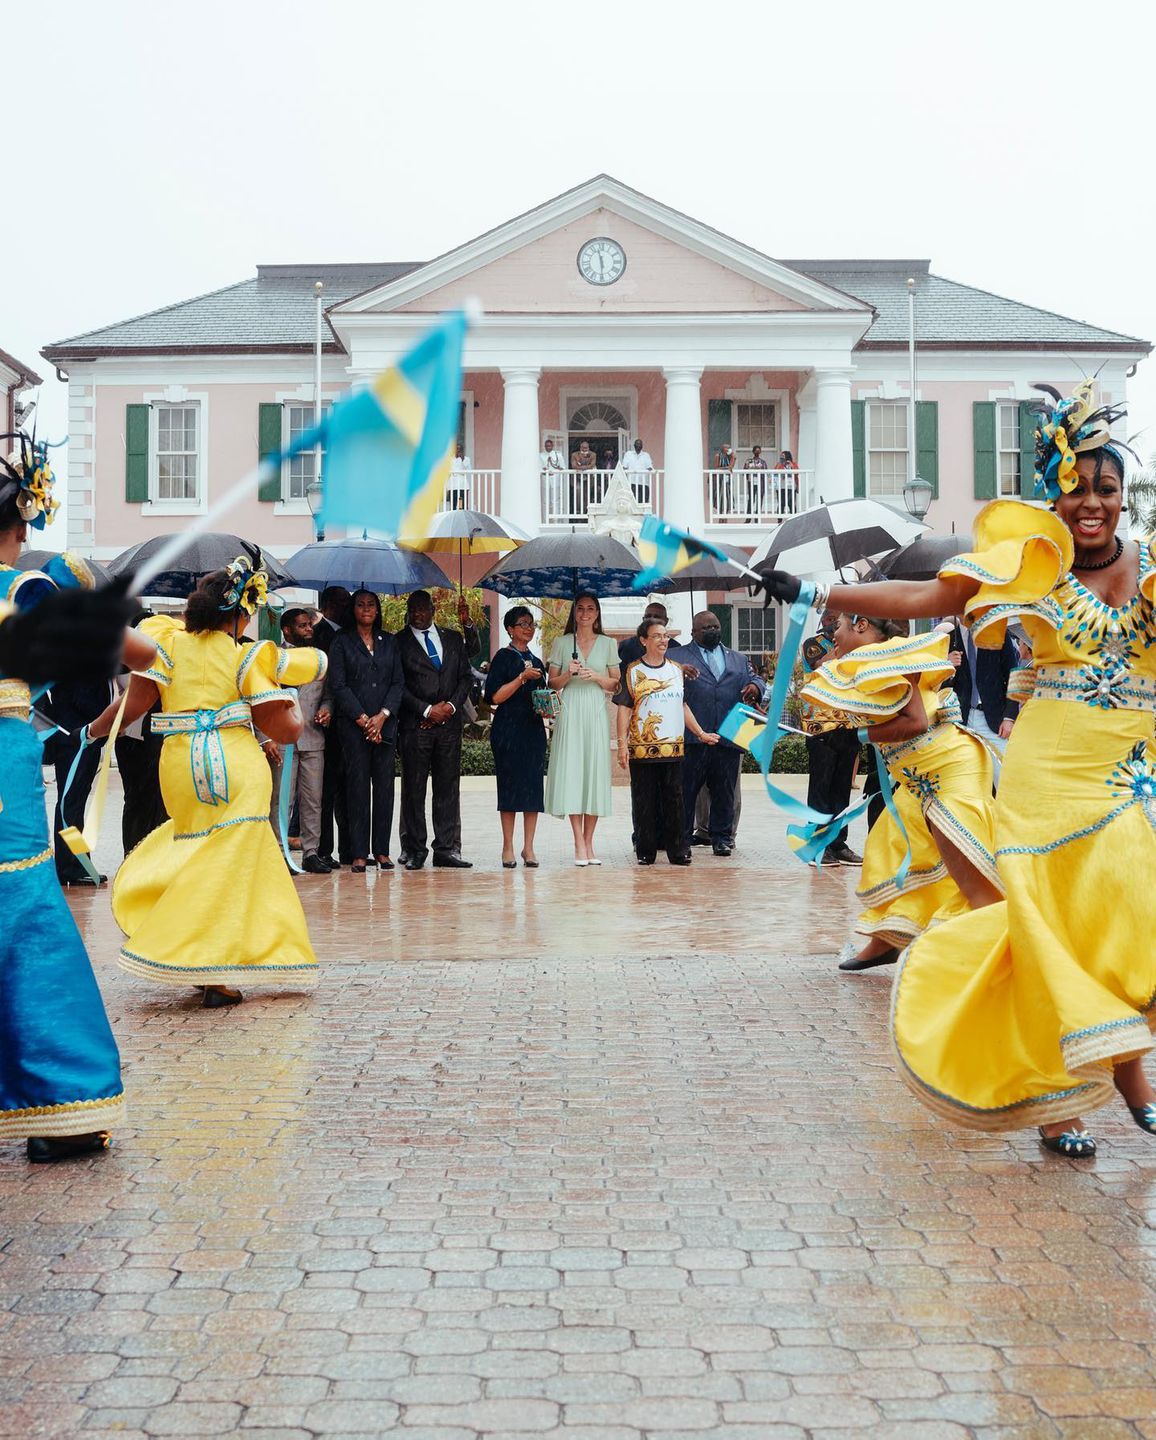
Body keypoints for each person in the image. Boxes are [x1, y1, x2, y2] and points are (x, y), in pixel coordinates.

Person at [756, 380, 1156, 1160]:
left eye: (1104, 490)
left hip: (1129, 777)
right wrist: (816, 591)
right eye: (1074, 491)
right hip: (1048, 783)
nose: (1091, 505)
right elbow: (925, 594)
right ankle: (1069, 1105)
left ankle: (1122, 1079)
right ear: (1054, 497)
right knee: (1051, 939)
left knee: (1129, 927)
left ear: (1122, 496)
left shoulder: (1151, 569)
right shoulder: (1031, 566)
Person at [89, 553, 325, 1008]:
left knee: (198, 854)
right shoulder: (247, 657)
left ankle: (201, 959)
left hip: (179, 766)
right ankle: (212, 968)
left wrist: (90, 732)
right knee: (230, 867)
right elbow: (286, 730)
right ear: (238, 612)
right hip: (235, 767)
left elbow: (132, 705)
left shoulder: (165, 644)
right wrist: (292, 703)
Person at [0, 439, 144, 1162]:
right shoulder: (21, 593)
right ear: (20, 526)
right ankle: (61, 1101)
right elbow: (138, 655)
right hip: (6, 776)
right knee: (25, 922)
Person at [800, 615, 1000, 973]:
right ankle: (887, 941)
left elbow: (915, 722)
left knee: (970, 864)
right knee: (894, 849)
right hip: (916, 778)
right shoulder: (869, 661)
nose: (835, 636)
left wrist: (856, 737)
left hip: (951, 769)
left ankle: (999, 953)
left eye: (840, 627)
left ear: (861, 625)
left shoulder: (895, 655)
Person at [614, 617, 720, 865]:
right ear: (643, 640)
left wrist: (701, 733)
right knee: (645, 799)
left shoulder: (675, 669)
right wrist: (622, 744)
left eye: (665, 635)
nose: (663, 640)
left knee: (674, 799)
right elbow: (624, 709)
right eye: (657, 636)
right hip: (643, 748)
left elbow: (682, 705)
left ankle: (678, 850)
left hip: (672, 746)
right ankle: (646, 850)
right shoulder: (633, 671)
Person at [668, 611, 762, 855]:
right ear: (693, 632)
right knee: (686, 792)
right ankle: (682, 838)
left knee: (724, 791)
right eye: (706, 628)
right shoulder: (676, 656)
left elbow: (756, 679)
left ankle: (722, 838)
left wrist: (755, 687)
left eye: (715, 626)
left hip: (728, 735)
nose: (712, 630)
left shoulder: (738, 658)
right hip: (692, 737)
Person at [327, 590, 404, 874]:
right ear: (353, 609)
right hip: (353, 727)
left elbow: (398, 683)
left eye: (371, 605)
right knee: (357, 788)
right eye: (360, 605)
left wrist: (382, 717)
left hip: (385, 725)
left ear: (378, 609)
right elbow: (338, 685)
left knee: (384, 788)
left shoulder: (390, 642)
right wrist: (363, 719)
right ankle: (359, 852)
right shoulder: (341, 642)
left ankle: (382, 851)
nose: (366, 609)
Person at [396, 589, 473, 869]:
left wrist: (450, 707)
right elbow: (397, 685)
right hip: (416, 726)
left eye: (423, 608)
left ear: (433, 609)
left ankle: (446, 849)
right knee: (414, 789)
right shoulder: (398, 642)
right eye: (413, 609)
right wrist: (427, 710)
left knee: (448, 788)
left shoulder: (453, 639)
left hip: (449, 727)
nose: (418, 614)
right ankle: (415, 849)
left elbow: (466, 677)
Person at [545, 593, 620, 866]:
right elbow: (552, 682)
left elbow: (616, 684)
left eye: (590, 608)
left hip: (596, 710)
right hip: (571, 708)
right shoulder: (563, 643)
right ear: (574, 613)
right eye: (580, 609)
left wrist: (596, 677)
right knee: (573, 772)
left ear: (597, 613)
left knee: (594, 772)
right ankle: (578, 841)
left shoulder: (609, 644)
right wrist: (569, 674)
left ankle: (590, 842)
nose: (585, 613)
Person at [483, 605, 547, 867]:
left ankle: (528, 848)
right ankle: (507, 846)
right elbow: (494, 697)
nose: (528, 628)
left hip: (533, 731)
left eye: (531, 624)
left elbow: (541, 697)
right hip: (508, 731)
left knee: (532, 789)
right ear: (510, 629)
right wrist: (521, 678)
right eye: (523, 624)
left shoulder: (538, 662)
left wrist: (548, 705)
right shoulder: (503, 658)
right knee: (509, 789)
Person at [41, 675, 115, 885]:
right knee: (70, 803)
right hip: (78, 736)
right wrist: (106, 722)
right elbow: (84, 699)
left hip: (75, 735)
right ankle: (70, 867)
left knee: (72, 803)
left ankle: (76, 864)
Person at [803, 611, 862, 868]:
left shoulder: (855, 645)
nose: (831, 622)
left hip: (849, 723)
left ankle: (838, 843)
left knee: (841, 789)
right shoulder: (813, 644)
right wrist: (841, 645)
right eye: (828, 618)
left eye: (837, 619)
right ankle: (817, 844)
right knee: (821, 789)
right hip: (821, 727)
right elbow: (820, 666)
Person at [279, 607, 331, 874]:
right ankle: (279, 852)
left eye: (309, 625)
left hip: (313, 737)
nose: (309, 630)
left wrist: (327, 709)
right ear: (287, 630)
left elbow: (328, 694)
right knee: (282, 800)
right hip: (281, 741)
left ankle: (311, 852)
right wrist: (266, 740)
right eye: (302, 626)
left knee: (313, 799)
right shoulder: (272, 657)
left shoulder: (319, 659)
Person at [114, 607, 167, 856]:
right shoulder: (128, 662)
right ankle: (134, 852)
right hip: (134, 736)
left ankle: (151, 852)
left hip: (151, 734)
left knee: (155, 797)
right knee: (138, 798)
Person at [311, 586, 352, 869]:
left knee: (348, 790)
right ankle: (324, 849)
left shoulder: (349, 635)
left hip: (348, 722)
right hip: (324, 723)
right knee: (325, 791)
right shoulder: (318, 635)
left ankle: (349, 849)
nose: (347, 607)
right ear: (327, 606)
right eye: (342, 602)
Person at [947, 620, 1019, 776]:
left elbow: (1014, 676)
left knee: (1004, 775)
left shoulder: (997, 634)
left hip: (995, 719)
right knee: (966, 776)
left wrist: (1010, 717)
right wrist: (947, 667)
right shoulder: (948, 640)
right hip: (960, 721)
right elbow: (939, 687)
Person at [622, 438, 655, 507]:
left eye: (640, 444)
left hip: (644, 483)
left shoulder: (646, 455)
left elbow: (650, 467)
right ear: (634, 445)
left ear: (642, 446)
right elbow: (624, 467)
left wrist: (649, 469)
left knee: (643, 505)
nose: (638, 445)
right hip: (632, 483)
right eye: (637, 444)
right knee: (632, 505)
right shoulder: (628, 454)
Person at [540, 437, 566, 522]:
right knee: (545, 501)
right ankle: (545, 520)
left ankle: (556, 521)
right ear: (544, 446)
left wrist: (556, 470)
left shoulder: (558, 455)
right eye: (546, 446)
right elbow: (538, 467)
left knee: (555, 501)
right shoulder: (541, 455)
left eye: (549, 446)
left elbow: (563, 467)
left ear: (552, 446)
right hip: (545, 478)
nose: (548, 447)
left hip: (555, 478)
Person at [742, 445, 768, 521]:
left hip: (760, 482)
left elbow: (766, 471)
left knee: (759, 499)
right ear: (753, 452)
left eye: (759, 450)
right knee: (751, 499)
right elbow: (745, 470)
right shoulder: (749, 461)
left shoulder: (763, 462)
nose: (757, 452)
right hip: (751, 482)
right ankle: (748, 517)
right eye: (756, 450)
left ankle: (757, 517)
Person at [714, 443, 737, 517]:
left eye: (729, 448)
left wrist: (733, 457)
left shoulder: (730, 456)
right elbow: (717, 467)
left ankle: (726, 512)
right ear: (723, 449)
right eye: (726, 448)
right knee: (720, 494)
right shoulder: (718, 456)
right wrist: (726, 468)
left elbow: (731, 466)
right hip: (720, 477)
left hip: (728, 477)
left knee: (728, 493)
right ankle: (720, 513)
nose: (728, 449)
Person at [447, 442, 471, 510]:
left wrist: (463, 460)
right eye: (457, 449)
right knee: (453, 505)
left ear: (462, 450)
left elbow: (469, 470)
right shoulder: (450, 460)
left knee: (462, 506)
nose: (458, 451)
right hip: (453, 485)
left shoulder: (466, 459)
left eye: (460, 449)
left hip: (462, 485)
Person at [775, 450, 799, 514]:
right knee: (781, 503)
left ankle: (793, 517)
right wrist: (781, 464)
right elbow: (775, 472)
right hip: (781, 486)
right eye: (781, 456)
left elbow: (796, 473)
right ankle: (779, 520)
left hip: (791, 486)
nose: (781, 457)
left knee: (791, 503)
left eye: (783, 456)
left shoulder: (793, 464)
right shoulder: (779, 464)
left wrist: (791, 464)